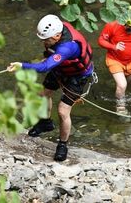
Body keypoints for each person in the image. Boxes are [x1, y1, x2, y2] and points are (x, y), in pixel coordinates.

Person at [7, 14, 94, 162]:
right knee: (43, 94)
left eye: (46, 40)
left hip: (77, 76)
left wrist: (22, 66)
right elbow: (50, 61)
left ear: (58, 35)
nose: (44, 43)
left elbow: (45, 67)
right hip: (61, 69)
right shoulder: (58, 29)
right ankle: (46, 123)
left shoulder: (67, 47)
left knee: (62, 110)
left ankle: (62, 144)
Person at [97, 6, 131, 115]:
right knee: (123, 85)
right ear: (123, 21)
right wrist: (114, 46)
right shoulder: (112, 25)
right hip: (115, 59)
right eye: (128, 26)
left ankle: (118, 88)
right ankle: (120, 108)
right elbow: (100, 40)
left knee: (126, 83)